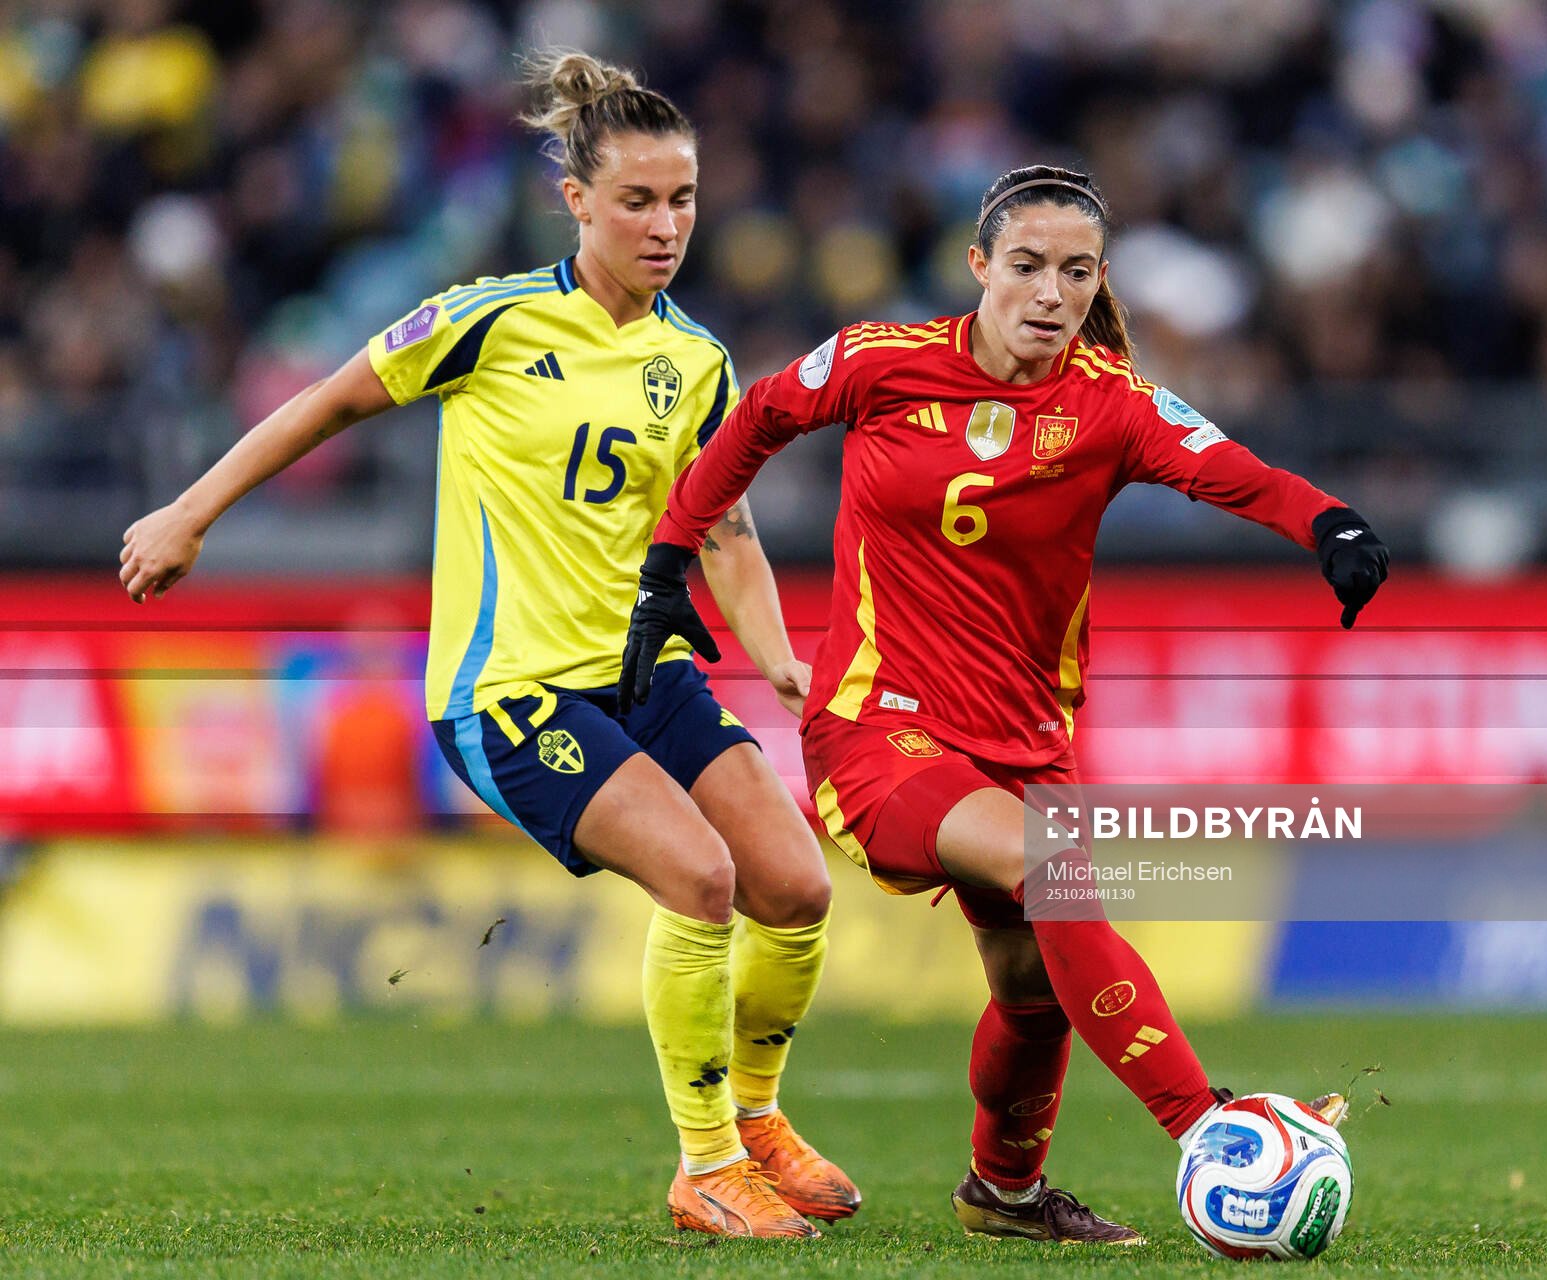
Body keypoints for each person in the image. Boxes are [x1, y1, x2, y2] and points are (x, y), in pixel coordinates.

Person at [119, 50, 859, 1241]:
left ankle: (760, 1120)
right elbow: (329, 400)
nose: (665, 225)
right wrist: (190, 511)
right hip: (511, 689)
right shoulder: (488, 319)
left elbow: (725, 528)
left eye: (682, 200)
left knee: (796, 884)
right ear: (575, 198)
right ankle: (706, 1163)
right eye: (637, 201)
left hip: (645, 673)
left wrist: (776, 656)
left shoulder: (699, 360)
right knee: (704, 878)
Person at [622, 164, 1388, 1243]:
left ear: (1098, 281)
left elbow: (1234, 470)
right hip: (878, 729)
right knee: (1054, 863)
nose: (1050, 292)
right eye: (1026, 266)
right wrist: (668, 563)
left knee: (1033, 988)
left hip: (1026, 741)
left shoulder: (1110, 403)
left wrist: (1331, 525)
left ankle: (1006, 1191)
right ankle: (1209, 1125)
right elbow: (752, 421)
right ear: (979, 266)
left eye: (1076, 272)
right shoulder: (880, 363)